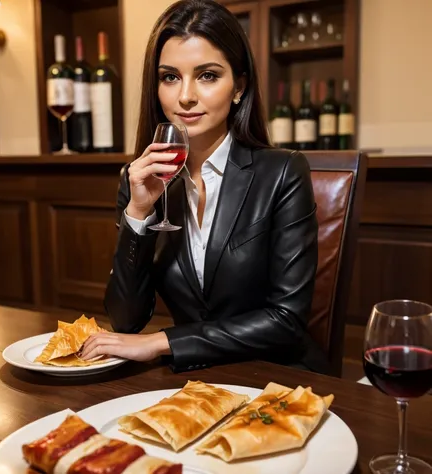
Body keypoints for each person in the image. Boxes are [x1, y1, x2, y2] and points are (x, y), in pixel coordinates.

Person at [81, 0, 330, 374]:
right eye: (170, 77)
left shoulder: (283, 172)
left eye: (208, 75)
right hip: (194, 380)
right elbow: (126, 320)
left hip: (277, 375)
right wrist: (137, 214)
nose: (185, 96)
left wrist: (162, 342)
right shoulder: (138, 178)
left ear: (239, 87)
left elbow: (286, 320)